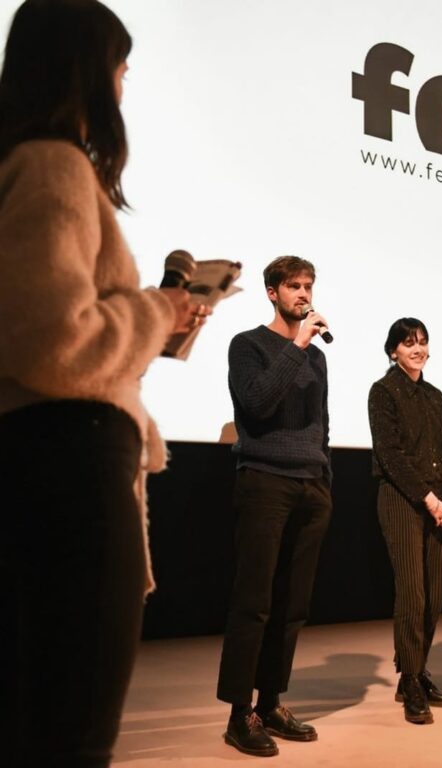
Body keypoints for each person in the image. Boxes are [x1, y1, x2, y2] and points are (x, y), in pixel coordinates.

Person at [0, 1, 205, 766]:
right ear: (87, 72)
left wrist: (156, 328)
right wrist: (156, 308)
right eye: (120, 68)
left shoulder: (21, 163)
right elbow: (56, 347)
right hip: (69, 475)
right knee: (69, 736)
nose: (124, 87)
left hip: (47, 464)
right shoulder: (54, 164)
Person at [216, 255, 332, 757]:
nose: (303, 294)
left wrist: (324, 474)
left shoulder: (318, 358)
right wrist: (298, 345)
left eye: (308, 286)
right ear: (272, 292)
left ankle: (270, 702)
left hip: (311, 485)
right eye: (293, 287)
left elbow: (319, 424)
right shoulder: (248, 346)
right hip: (264, 481)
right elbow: (258, 405)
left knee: (292, 606)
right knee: (255, 603)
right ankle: (239, 714)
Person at [368, 318, 442, 725]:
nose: (418, 349)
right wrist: (427, 498)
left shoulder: (435, 395)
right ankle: (408, 680)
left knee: (435, 595)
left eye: (422, 342)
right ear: (393, 350)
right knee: (412, 593)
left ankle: (419, 669)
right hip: (403, 501)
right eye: (409, 343)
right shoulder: (383, 391)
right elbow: (389, 455)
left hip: (439, 503)